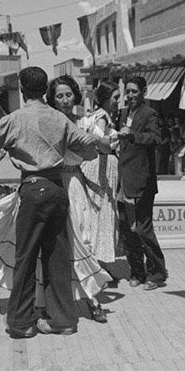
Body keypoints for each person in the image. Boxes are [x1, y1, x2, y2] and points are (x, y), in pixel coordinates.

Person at [0, 65, 110, 339]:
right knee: (57, 257)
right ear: (45, 90)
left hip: (32, 190)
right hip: (58, 189)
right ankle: (63, 320)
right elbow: (88, 145)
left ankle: (21, 323)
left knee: (27, 258)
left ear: (22, 89)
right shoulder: (58, 119)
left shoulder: (16, 119)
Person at [46, 74, 113, 323]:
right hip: (52, 181)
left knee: (82, 239)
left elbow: (103, 146)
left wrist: (97, 139)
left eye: (68, 95)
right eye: (59, 96)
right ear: (52, 100)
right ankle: (55, 300)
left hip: (74, 183)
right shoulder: (49, 122)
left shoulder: (85, 122)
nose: (64, 100)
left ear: (75, 96)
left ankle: (92, 299)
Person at [117, 76, 168, 290]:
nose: (130, 96)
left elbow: (156, 139)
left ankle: (157, 273)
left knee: (143, 229)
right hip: (124, 179)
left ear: (144, 92)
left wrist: (134, 135)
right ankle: (136, 271)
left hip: (142, 180)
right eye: (127, 91)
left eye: (134, 92)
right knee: (126, 230)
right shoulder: (123, 113)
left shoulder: (150, 114)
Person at [78, 81, 121, 269]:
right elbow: (101, 141)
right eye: (116, 98)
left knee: (95, 213)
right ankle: (100, 264)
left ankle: (95, 263)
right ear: (105, 99)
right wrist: (113, 140)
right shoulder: (102, 116)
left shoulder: (93, 116)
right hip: (102, 164)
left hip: (93, 164)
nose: (118, 102)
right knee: (102, 213)